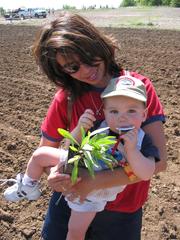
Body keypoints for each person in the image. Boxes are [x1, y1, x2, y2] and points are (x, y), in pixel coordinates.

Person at [7, 12, 167, 240]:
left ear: (96, 42)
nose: (85, 70)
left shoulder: (138, 89)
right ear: (61, 71)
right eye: (72, 67)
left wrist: (95, 181)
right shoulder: (67, 98)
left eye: (87, 55)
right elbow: (46, 151)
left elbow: (158, 162)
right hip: (69, 204)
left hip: (121, 213)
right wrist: (54, 175)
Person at [3, 76, 159, 240]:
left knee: (75, 231)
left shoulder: (142, 140)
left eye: (131, 111)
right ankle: (29, 186)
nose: (122, 117)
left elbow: (147, 172)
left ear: (144, 114)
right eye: (114, 111)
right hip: (80, 164)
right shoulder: (102, 128)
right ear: (105, 113)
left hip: (93, 193)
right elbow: (73, 147)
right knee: (40, 154)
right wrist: (79, 129)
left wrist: (132, 150)